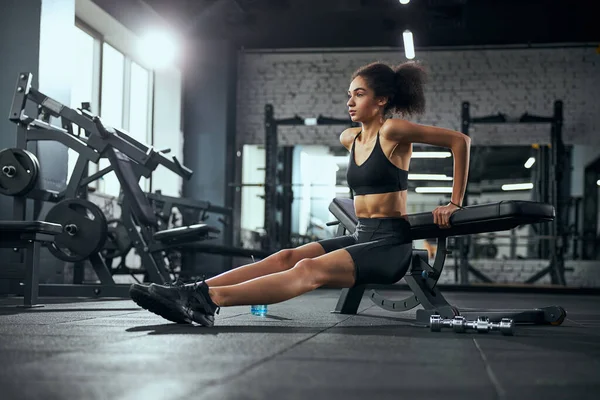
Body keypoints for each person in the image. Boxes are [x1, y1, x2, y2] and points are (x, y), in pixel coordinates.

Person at [129, 61, 471, 327]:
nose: (349, 101)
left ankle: (207, 300)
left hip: (389, 246)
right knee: (284, 257)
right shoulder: (349, 139)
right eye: (349, 94)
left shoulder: (392, 130)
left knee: (308, 268)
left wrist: (455, 202)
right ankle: (190, 290)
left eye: (360, 94)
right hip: (361, 235)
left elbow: (460, 141)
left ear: (382, 100)